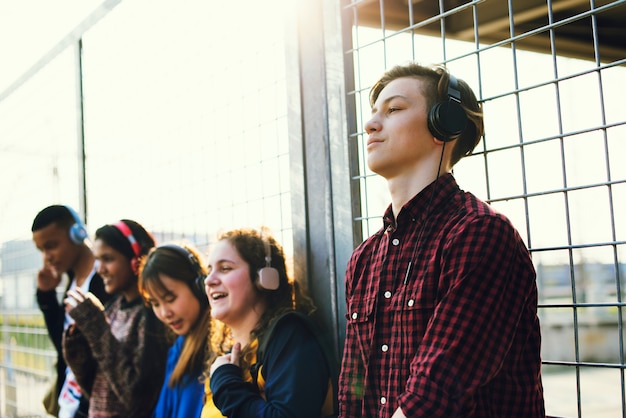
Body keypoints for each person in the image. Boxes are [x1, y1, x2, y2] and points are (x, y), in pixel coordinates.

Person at [338, 62, 545, 417]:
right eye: (374, 113)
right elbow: (353, 393)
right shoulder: (364, 259)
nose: (371, 124)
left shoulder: (479, 233)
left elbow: (436, 396)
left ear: (443, 125)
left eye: (394, 109)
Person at [201, 227, 337, 417]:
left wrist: (225, 384)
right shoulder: (228, 358)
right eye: (209, 272)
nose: (209, 281)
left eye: (225, 268)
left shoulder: (289, 336)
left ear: (263, 278)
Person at [62, 219, 171, 418]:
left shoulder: (150, 315)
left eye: (108, 259)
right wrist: (78, 353)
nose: (100, 269)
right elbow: (98, 389)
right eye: (97, 259)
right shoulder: (113, 308)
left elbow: (136, 399)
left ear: (135, 260)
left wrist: (96, 328)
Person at [31, 204, 113, 417]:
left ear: (78, 234)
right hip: (69, 403)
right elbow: (63, 344)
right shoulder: (72, 281)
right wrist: (47, 296)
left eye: (51, 246)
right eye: (41, 250)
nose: (47, 257)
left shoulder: (105, 280)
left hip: (93, 404)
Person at [138, 243, 211, 418]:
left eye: (170, 299)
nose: (164, 313)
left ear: (199, 287)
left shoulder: (218, 351)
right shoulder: (178, 349)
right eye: (155, 304)